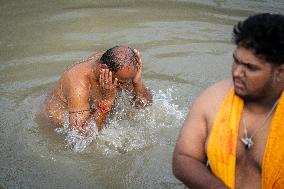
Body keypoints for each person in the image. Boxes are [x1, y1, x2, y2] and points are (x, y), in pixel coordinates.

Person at [172, 13, 284, 189]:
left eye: (250, 67)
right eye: (236, 61)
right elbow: (184, 158)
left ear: (280, 72)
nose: (237, 73)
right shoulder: (214, 98)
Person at [44, 46, 152, 134]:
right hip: (59, 125)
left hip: (92, 112)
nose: (124, 87)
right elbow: (80, 135)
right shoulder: (77, 83)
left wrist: (137, 82)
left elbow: (145, 106)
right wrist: (107, 102)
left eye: (128, 81)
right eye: (121, 83)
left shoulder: (120, 68)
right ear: (103, 69)